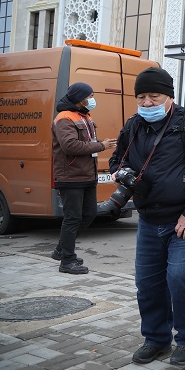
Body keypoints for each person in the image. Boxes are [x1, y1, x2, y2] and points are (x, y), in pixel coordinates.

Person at [109, 67, 185, 367]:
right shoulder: (133, 125)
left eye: (153, 96)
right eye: (141, 97)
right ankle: (156, 339)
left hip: (184, 221)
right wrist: (123, 174)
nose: (146, 103)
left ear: (169, 96)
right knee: (147, 283)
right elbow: (115, 160)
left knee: (182, 278)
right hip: (148, 219)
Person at [51, 82, 117, 274]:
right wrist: (100, 146)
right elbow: (70, 146)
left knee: (89, 214)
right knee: (73, 218)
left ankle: (62, 249)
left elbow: (86, 142)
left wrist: (100, 144)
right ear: (80, 98)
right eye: (90, 95)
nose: (92, 99)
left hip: (87, 175)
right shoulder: (64, 118)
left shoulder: (84, 115)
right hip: (71, 176)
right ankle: (67, 261)